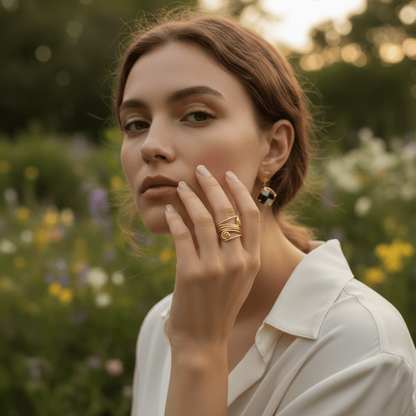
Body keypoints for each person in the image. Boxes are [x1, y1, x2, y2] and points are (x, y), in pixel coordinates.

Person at [113, 11, 416, 416]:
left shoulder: (362, 346)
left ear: (274, 148)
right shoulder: (161, 323)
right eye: (135, 123)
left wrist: (200, 351)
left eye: (197, 114)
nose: (151, 145)